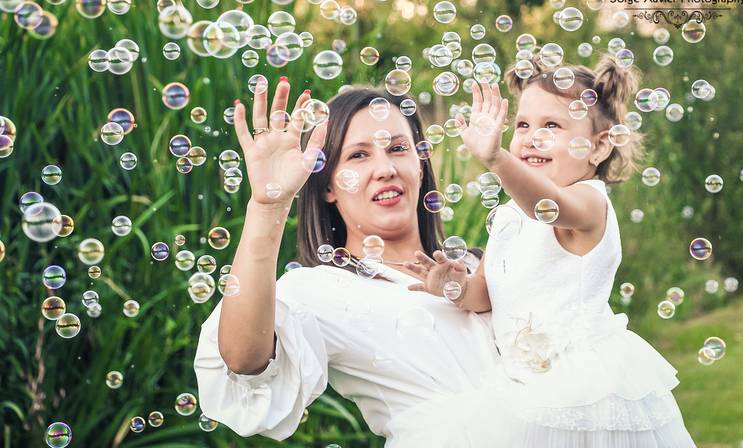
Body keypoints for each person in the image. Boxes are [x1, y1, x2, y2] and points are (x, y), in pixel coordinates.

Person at [402, 54, 697, 446]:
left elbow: (548, 206)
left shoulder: (589, 204)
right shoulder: (509, 216)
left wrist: (496, 159)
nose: (531, 137)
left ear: (599, 147)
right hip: (522, 387)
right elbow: (485, 293)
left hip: (582, 391)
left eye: (552, 126)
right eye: (522, 125)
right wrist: (454, 286)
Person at [193, 78, 502, 446]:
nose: (385, 167)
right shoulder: (323, 289)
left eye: (399, 148)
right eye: (358, 155)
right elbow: (244, 360)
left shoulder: (486, 267)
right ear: (327, 185)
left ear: (420, 165)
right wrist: (269, 206)